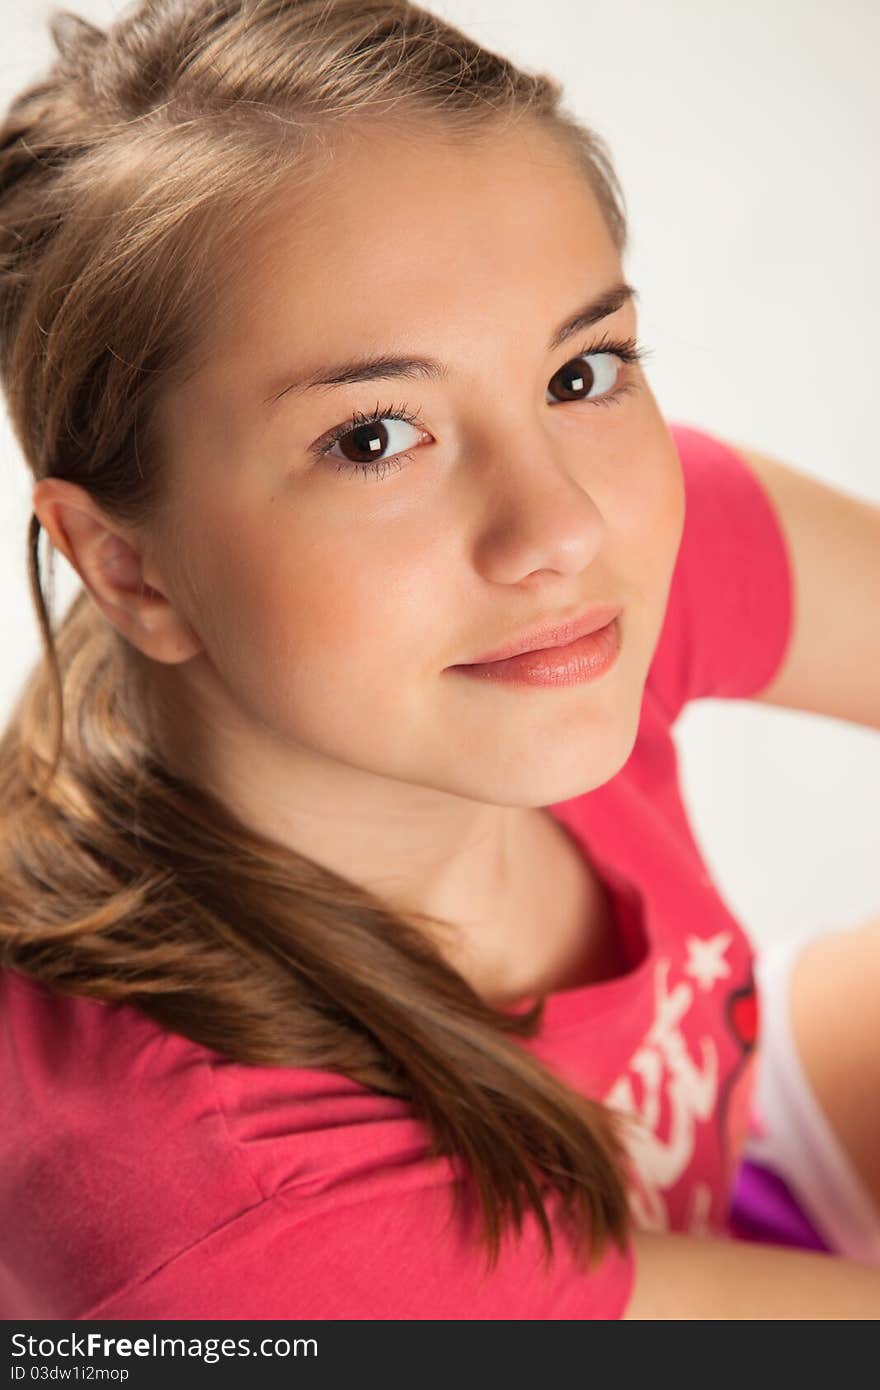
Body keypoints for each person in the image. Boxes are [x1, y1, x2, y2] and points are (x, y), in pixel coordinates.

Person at [0, 0, 877, 1321]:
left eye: (581, 371)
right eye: (371, 439)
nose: (564, 529)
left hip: (694, 1204)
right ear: (130, 566)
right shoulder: (221, 1212)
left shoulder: (544, 603)